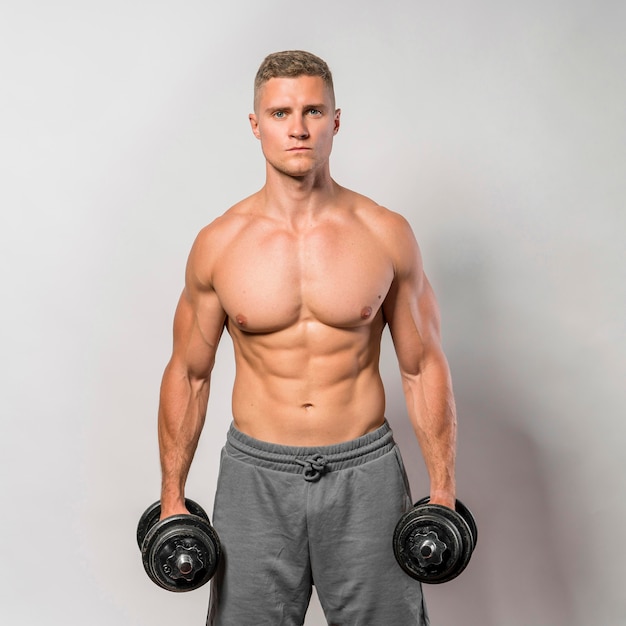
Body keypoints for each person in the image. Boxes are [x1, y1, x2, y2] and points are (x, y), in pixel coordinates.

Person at [157, 50, 457, 625]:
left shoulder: (385, 233)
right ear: (255, 125)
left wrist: (442, 487)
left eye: (313, 110)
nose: (297, 128)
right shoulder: (220, 243)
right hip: (256, 477)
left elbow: (423, 366)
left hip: (364, 474)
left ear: (336, 120)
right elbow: (189, 374)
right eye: (280, 113)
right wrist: (173, 494)